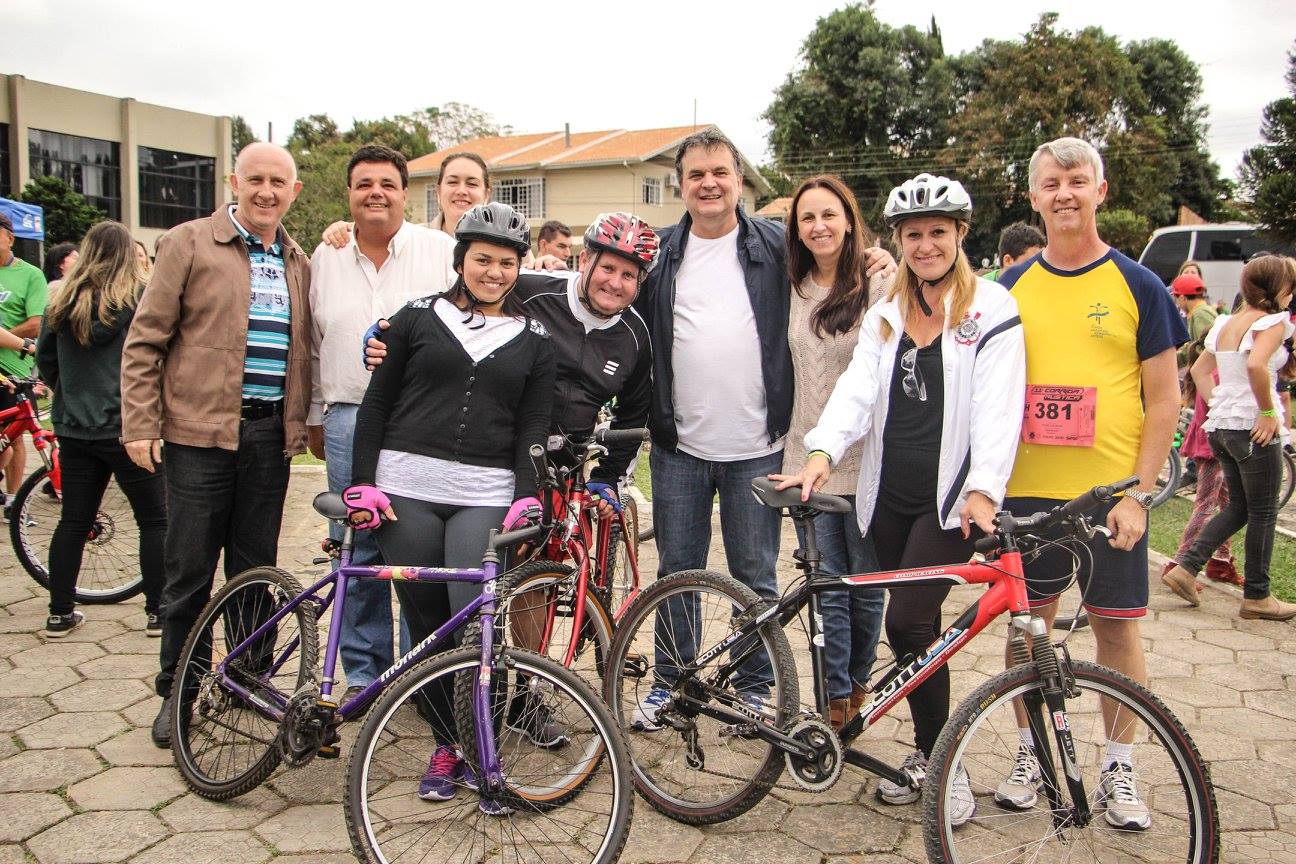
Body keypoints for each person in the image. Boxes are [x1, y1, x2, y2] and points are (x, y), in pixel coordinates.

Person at [778, 172, 1025, 826]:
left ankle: (939, 760)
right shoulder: (888, 314)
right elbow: (857, 392)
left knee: (910, 623)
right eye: (913, 234)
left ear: (960, 235)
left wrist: (982, 492)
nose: (925, 245)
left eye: (937, 232)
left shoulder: (992, 309)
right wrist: (823, 451)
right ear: (899, 239)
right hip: (885, 496)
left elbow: (999, 411)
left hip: (947, 504)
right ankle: (927, 750)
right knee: (909, 629)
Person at [631, 129, 895, 727]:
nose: (709, 183)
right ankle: (672, 683)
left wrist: (875, 256)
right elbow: (602, 292)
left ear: (739, 179)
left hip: (760, 444)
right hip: (680, 446)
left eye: (720, 172)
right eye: (696, 174)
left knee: (756, 574)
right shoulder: (660, 254)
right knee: (678, 571)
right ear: (680, 184)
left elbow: (833, 266)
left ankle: (753, 684)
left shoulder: (778, 246)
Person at [995, 137, 1186, 830]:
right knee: (1027, 632)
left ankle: (1118, 766)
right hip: (1027, 496)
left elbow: (1164, 398)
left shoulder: (1140, 286)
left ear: (1099, 191)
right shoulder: (1010, 288)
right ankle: (1029, 755)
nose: (1065, 193)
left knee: (1117, 630)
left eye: (1077, 181)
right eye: (1051, 183)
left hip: (1108, 499)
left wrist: (1139, 492)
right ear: (1035, 197)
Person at [344, 202, 555, 804]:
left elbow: (532, 429)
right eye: (482, 259)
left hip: (484, 495)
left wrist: (527, 495)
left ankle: (482, 747)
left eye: (506, 263)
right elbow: (377, 406)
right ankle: (449, 746)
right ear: (461, 260)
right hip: (404, 488)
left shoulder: (536, 342)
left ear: (519, 269)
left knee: (474, 625)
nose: (493, 272)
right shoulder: (412, 319)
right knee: (427, 628)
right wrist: (364, 482)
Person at [120, 141, 311, 749]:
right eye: (255, 179)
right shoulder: (190, 242)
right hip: (197, 436)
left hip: (267, 438)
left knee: (254, 572)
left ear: (293, 192)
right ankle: (180, 689)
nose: (266, 192)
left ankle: (247, 681)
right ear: (234, 182)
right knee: (190, 572)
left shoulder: (297, 258)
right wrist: (140, 424)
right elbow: (145, 342)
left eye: (278, 182)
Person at [308, 144, 456, 703]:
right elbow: (312, 343)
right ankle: (366, 677)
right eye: (364, 183)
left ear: (404, 191)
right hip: (347, 418)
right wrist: (314, 417)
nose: (376, 192)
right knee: (358, 547)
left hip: (421, 423)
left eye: (387, 183)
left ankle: (423, 676)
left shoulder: (440, 251)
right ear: (349, 194)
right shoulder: (323, 257)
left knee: (419, 548)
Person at [776, 174, 887, 730]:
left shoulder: (881, 285)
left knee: (867, 587)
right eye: (807, 219)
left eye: (828, 215)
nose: (818, 227)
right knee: (828, 586)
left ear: (849, 220)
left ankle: (859, 681)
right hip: (806, 456)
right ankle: (834, 697)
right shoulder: (789, 286)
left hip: (868, 460)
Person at [35, 221, 167, 637]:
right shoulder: (137, 300)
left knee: (74, 520)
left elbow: (47, 362)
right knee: (154, 519)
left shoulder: (60, 302)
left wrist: (71, 394)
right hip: (129, 427)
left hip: (74, 428)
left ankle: (59, 610)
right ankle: (157, 611)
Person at [1161, 255, 1296, 620]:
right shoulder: (1272, 322)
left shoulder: (1227, 322)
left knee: (1238, 506)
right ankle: (1257, 595)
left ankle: (1185, 567)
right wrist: (1266, 411)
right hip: (1254, 426)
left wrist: (1221, 400)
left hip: (1224, 426)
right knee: (1263, 512)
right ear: (1278, 287)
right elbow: (1255, 365)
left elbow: (1202, 368)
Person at [1164, 340, 1240, 588]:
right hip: (1213, 450)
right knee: (1206, 506)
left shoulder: (1214, 373)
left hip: (1217, 448)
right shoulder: (1217, 376)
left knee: (1230, 505)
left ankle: (1221, 561)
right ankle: (1179, 563)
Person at [0, 212, 48, 521]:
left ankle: (14, 502)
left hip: (14, 371)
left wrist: (7, 339)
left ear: (10, 238)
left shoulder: (29, 275)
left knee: (15, 435)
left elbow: (35, 323)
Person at [1172, 272, 1218, 366]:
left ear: (1182, 298)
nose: (1177, 303)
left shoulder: (1200, 314)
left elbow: (1205, 348)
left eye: (1176, 298)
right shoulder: (1202, 311)